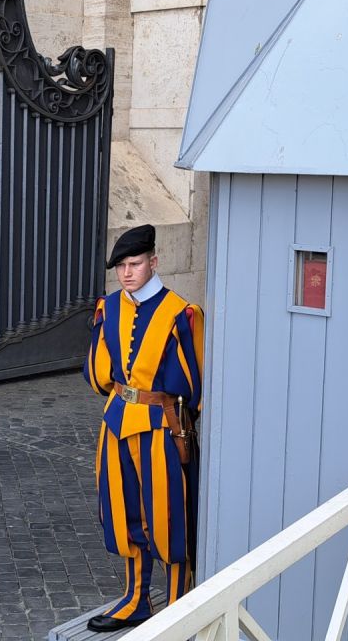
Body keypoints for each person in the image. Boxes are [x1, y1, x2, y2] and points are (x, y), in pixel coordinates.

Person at [82, 224, 205, 632]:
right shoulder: (110, 307)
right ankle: (136, 599)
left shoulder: (181, 313)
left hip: (162, 427)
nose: (127, 273)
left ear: (154, 262)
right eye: (121, 266)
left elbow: (194, 385)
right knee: (124, 512)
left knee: (167, 515)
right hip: (116, 422)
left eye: (134, 264)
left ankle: (175, 604)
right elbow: (99, 376)